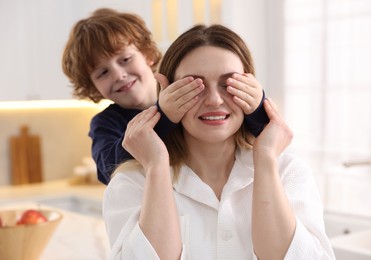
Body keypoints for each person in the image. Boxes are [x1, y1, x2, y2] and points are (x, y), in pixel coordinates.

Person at [103, 24, 335, 259]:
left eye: (228, 84)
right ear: (167, 92)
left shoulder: (288, 173)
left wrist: (265, 158)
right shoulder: (132, 183)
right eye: (194, 86)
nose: (214, 100)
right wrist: (156, 165)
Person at [62, 8, 269, 185]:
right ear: (93, 85)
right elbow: (110, 171)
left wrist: (256, 106)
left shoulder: (194, 99)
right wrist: (164, 116)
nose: (119, 75)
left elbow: (263, 135)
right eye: (102, 73)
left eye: (125, 59)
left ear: (148, 55)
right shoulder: (105, 123)